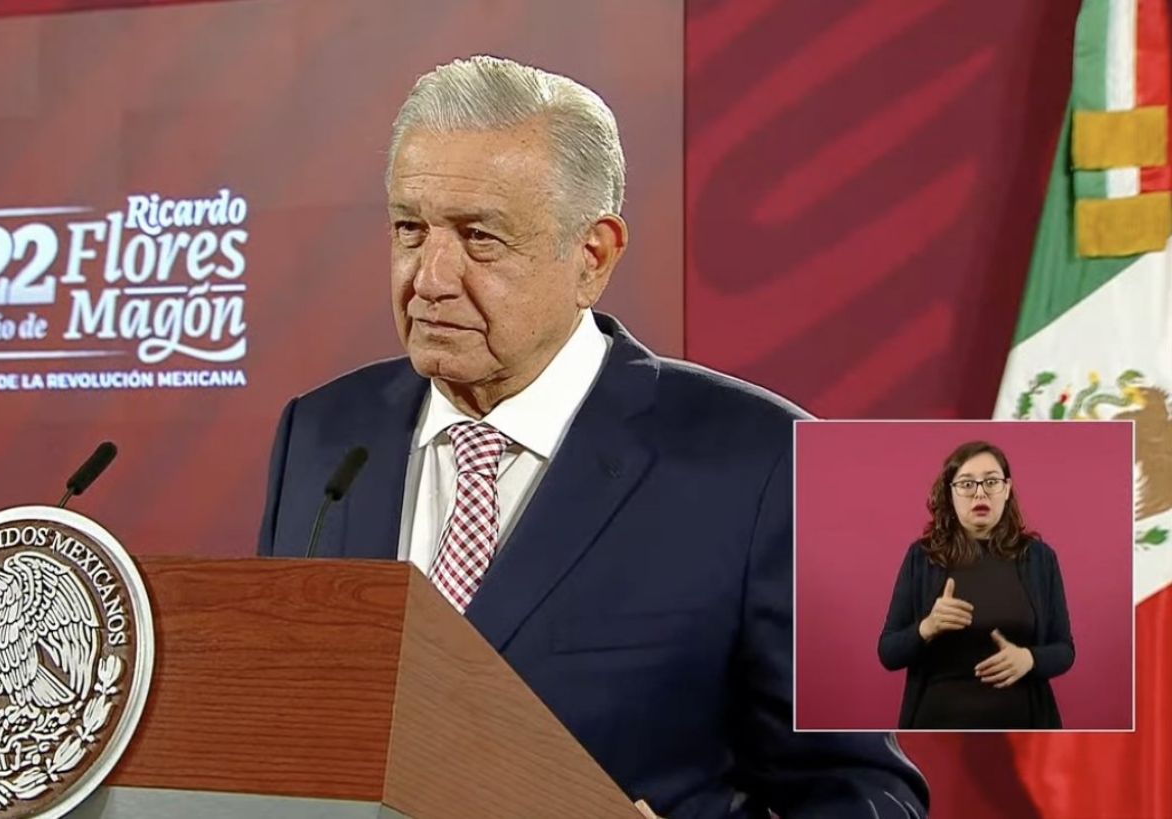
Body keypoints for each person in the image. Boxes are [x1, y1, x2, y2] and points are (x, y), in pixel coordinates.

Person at [258, 55, 928, 817]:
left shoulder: (771, 462)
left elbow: (867, 792)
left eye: (480, 237)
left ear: (593, 256)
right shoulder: (324, 434)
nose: (430, 278)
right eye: (411, 228)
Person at [878, 440, 1075, 729]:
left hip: (1023, 727)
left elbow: (1065, 650)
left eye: (991, 482)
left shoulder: (1039, 558)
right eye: (967, 484)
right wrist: (928, 627)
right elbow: (889, 653)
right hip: (937, 726)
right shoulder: (922, 557)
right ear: (950, 493)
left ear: (1006, 490)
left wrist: (1029, 658)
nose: (980, 493)